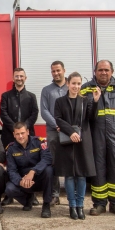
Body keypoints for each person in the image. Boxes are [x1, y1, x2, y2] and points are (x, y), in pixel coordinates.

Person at [80, 60, 115, 216]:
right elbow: (82, 113)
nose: (103, 73)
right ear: (95, 71)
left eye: (106, 70)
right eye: (100, 70)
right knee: (98, 170)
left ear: (112, 71)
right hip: (94, 136)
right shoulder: (86, 89)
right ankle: (99, 204)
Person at [54, 72, 100, 220]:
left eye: (79, 84)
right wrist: (71, 132)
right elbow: (59, 119)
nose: (76, 86)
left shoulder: (85, 100)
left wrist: (96, 101)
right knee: (69, 175)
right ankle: (72, 206)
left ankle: (80, 206)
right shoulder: (60, 101)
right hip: (67, 141)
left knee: (81, 175)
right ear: (68, 83)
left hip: (82, 140)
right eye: (73, 83)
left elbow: (92, 118)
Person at [5, 122, 54, 218]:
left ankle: (46, 205)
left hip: (38, 177)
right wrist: (20, 181)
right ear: (14, 135)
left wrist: (33, 171)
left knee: (49, 170)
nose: (20, 136)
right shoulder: (10, 149)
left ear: (27, 132)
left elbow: (47, 158)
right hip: (23, 180)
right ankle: (28, 199)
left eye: (22, 133)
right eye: (17, 134)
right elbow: (11, 170)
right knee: (9, 189)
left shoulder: (38, 142)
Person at [40, 61, 68, 206]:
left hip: (69, 132)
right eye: (53, 71)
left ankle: (71, 195)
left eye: (58, 70)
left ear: (64, 70)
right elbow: (44, 111)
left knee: (70, 162)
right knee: (53, 162)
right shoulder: (46, 90)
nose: (56, 73)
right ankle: (55, 194)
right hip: (53, 131)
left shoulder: (72, 87)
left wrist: (67, 127)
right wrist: (57, 125)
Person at [0, 68, 39, 148]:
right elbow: (3, 113)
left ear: (25, 78)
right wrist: (14, 128)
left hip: (27, 134)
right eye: (16, 76)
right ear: (13, 78)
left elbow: (34, 113)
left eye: (21, 76)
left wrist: (24, 128)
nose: (19, 78)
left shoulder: (32, 96)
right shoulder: (5, 96)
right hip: (9, 134)